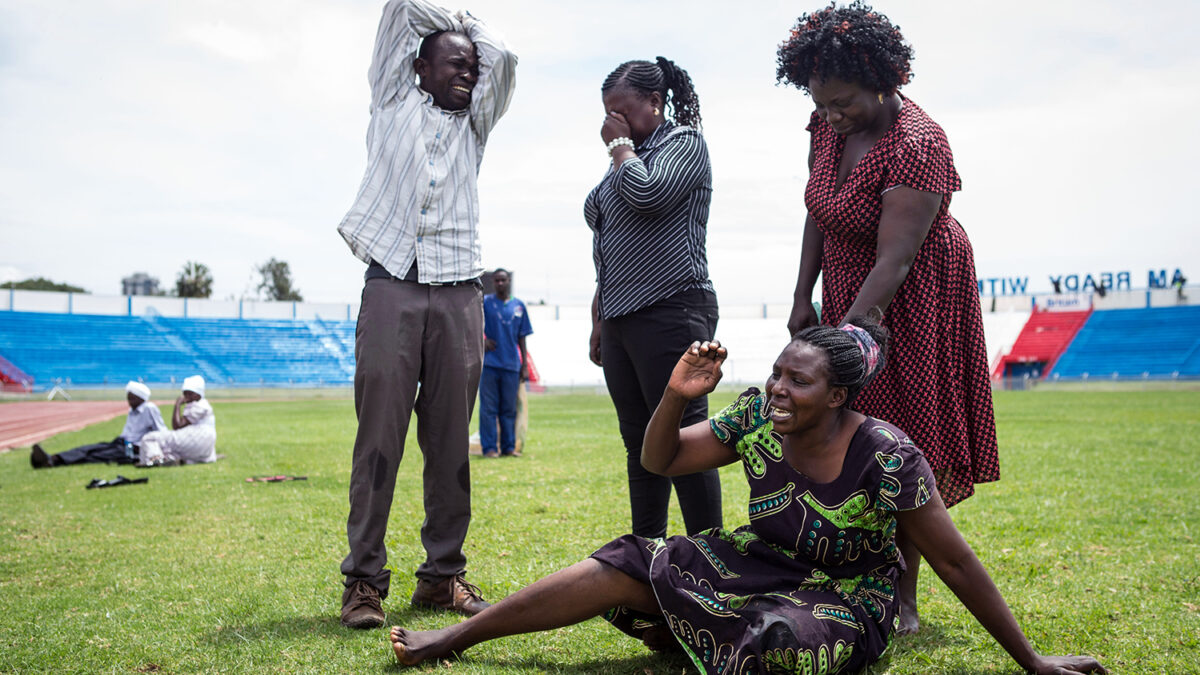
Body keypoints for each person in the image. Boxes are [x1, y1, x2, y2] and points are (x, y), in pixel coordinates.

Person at [385, 321, 1106, 675]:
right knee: (631, 558)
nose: (779, 390)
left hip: (845, 594)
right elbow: (659, 457)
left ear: (840, 395)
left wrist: (1033, 661)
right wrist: (675, 393)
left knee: (776, 639)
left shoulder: (889, 455)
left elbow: (954, 563)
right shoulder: (758, 417)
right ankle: (456, 638)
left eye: (799, 381)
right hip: (756, 563)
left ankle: (689, 630)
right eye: (776, 374)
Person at [777, 3, 999, 634]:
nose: (832, 116)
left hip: (914, 292)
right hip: (849, 277)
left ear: (885, 81)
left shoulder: (919, 144)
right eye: (821, 104)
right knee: (848, 422)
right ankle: (859, 570)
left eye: (843, 103)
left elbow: (896, 257)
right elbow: (819, 207)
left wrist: (839, 340)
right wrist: (803, 296)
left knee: (902, 434)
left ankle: (904, 593)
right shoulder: (828, 124)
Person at [334, 0, 517, 629]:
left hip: (461, 290)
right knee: (378, 440)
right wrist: (456, 15)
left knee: (449, 444)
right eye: (455, 64)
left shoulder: (476, 124)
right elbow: (399, 10)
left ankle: (442, 578)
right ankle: (364, 582)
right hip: (393, 284)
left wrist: (468, 30)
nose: (469, 73)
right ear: (418, 67)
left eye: (472, 67)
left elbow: (505, 58)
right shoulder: (392, 99)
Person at [584, 57, 722, 540]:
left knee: (683, 437)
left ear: (655, 103)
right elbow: (611, 243)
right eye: (608, 114)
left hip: (672, 306)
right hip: (622, 315)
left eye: (622, 113)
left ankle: (712, 560)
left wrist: (619, 147)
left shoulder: (682, 143)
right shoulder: (628, 158)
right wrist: (602, 318)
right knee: (640, 443)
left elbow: (648, 195)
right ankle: (647, 553)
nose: (612, 124)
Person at [30, 381, 165, 468]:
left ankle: (53, 461)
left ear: (141, 398)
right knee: (88, 448)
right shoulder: (132, 410)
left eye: (132, 397)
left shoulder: (149, 408)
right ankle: (52, 458)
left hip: (131, 449)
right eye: (128, 397)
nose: (129, 400)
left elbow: (161, 431)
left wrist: (147, 449)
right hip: (120, 442)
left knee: (94, 456)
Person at [479, 268, 532, 458]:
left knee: (509, 409)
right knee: (488, 409)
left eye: (503, 280)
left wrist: (524, 365)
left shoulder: (519, 306)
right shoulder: (485, 303)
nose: (500, 283)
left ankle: (509, 447)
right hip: (490, 365)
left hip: (511, 365)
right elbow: (473, 325)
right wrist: (482, 340)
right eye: (497, 281)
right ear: (493, 283)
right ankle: (490, 448)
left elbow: (522, 337)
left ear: (509, 281)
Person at [137, 376, 217, 466]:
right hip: (204, 448)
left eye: (189, 394)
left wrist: (177, 405)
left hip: (196, 440)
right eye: (185, 394)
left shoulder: (199, 405)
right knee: (168, 446)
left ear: (198, 394)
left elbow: (177, 426)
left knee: (149, 438)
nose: (186, 397)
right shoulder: (202, 404)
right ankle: (170, 459)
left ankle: (156, 459)